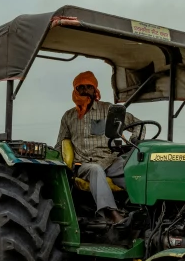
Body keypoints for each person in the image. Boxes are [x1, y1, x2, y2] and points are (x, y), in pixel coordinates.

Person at [55, 71, 143, 225]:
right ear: (75, 90)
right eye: (80, 87)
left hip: (109, 160)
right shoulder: (68, 116)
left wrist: (135, 139)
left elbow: (138, 124)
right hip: (83, 164)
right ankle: (111, 214)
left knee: (135, 171)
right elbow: (60, 144)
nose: (84, 90)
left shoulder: (109, 110)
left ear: (95, 90)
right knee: (95, 169)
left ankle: (143, 211)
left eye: (89, 87)